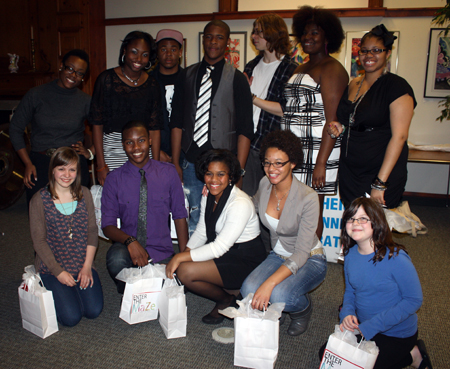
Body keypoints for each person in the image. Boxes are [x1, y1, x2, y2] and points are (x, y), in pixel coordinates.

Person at [252, 6, 348, 239]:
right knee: (292, 207)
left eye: (315, 33)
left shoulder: (332, 68)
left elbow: (332, 121)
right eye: (305, 33)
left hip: (318, 151)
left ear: (328, 37)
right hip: (296, 150)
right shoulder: (302, 66)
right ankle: (292, 255)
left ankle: (310, 260)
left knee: (312, 209)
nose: (308, 37)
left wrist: (321, 163)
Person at [170, 20, 254, 235]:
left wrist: (240, 170)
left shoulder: (237, 78)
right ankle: (196, 263)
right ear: (203, 39)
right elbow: (177, 122)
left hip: (224, 164)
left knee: (223, 217)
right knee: (195, 216)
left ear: (227, 42)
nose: (213, 41)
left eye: (219, 37)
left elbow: (245, 128)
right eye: (209, 36)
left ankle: (218, 264)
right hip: (190, 162)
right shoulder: (186, 75)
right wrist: (176, 161)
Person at [241, 130, 327, 336]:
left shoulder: (308, 197)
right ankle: (286, 293)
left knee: (279, 294)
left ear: (293, 163)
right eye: (267, 162)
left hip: (309, 258)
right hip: (278, 255)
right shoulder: (265, 183)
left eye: (279, 163)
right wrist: (224, 191)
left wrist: (269, 283)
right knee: (248, 290)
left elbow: (300, 254)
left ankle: (302, 309)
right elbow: (250, 204)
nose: (271, 169)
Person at [166, 149, 266, 325]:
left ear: (230, 176)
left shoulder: (240, 203)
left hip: (245, 260)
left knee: (185, 272)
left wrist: (180, 258)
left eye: (220, 174)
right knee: (184, 265)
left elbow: (219, 247)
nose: (214, 180)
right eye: (209, 174)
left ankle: (226, 299)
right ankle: (234, 290)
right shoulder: (210, 194)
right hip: (227, 253)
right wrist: (186, 253)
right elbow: (203, 231)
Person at [335, 197, 432, 369]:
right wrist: (347, 313)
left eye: (363, 218)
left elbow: (414, 300)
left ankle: (413, 354)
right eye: (351, 218)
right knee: (330, 356)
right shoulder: (350, 254)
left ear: (376, 222)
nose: (355, 222)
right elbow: (351, 291)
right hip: (364, 326)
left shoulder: (396, 258)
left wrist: (371, 326)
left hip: (395, 333)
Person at [328, 24, 416, 209]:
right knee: (353, 224)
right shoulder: (354, 84)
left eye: (376, 50)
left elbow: (399, 137)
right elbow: (352, 120)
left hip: (379, 171)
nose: (369, 56)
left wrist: (379, 183)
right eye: (364, 51)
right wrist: (340, 127)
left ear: (388, 53)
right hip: (350, 171)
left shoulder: (397, 87)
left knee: (375, 229)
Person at [102, 120, 188, 294]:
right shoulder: (114, 179)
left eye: (141, 140)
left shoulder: (168, 172)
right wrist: (130, 241)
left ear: (150, 140)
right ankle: (136, 288)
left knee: (185, 278)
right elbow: (107, 226)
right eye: (129, 142)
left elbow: (180, 216)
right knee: (115, 259)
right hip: (128, 250)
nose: (136, 147)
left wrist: (184, 256)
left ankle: (138, 287)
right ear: (123, 145)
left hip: (162, 252)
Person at [29, 147, 103, 327]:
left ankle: (72, 289)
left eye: (72, 169)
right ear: (52, 170)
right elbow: (39, 241)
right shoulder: (39, 200)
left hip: (81, 262)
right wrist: (58, 272)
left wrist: (87, 267)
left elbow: (92, 232)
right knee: (71, 318)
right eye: (61, 169)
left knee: (93, 311)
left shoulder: (84, 194)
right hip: (53, 267)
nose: (66, 174)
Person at [10, 49, 93, 204]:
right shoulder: (36, 94)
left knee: (75, 215)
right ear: (61, 66)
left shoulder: (85, 101)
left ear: (83, 77)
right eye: (70, 69)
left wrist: (90, 152)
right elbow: (15, 128)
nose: (73, 75)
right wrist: (27, 163)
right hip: (40, 162)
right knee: (40, 213)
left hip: (73, 163)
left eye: (80, 73)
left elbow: (102, 128)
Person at [90, 30, 162, 185]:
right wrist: (101, 165)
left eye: (144, 54)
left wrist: (155, 165)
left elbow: (155, 128)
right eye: (134, 52)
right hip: (113, 150)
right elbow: (96, 124)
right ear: (124, 51)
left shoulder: (153, 85)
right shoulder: (106, 79)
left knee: (142, 200)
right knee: (118, 201)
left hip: (142, 151)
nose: (138, 59)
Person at [242, 13, 298, 197]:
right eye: (253, 32)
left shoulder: (291, 69)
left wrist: (251, 97)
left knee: (272, 202)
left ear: (273, 34)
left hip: (272, 148)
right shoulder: (251, 66)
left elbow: (286, 110)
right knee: (247, 200)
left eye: (259, 32)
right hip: (248, 144)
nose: (253, 36)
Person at [150, 29, 184, 163]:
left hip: (185, 153)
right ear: (157, 52)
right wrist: (154, 149)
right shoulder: (147, 81)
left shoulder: (189, 80)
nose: (168, 54)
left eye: (174, 50)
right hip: (154, 152)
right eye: (163, 49)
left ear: (180, 52)